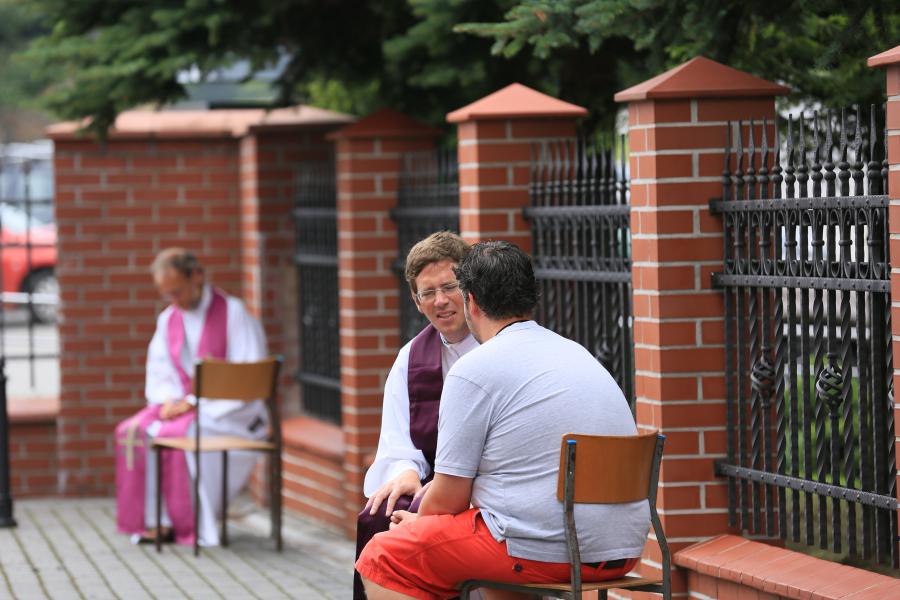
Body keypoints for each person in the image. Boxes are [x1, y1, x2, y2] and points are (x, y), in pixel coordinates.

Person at [357, 241, 650, 600]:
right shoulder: (578, 352)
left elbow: (448, 497)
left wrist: (420, 524)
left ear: (471, 302)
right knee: (489, 555)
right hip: (623, 546)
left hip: (543, 548)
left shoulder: (475, 369)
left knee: (382, 556)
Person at [354, 232, 479, 600]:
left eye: (450, 286)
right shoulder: (411, 359)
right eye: (428, 292)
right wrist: (405, 473)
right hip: (431, 482)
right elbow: (397, 439)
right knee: (381, 513)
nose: (440, 301)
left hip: (481, 489)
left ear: (471, 286)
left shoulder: (497, 346)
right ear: (416, 301)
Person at [115, 248, 268, 546]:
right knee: (133, 431)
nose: (174, 300)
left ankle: (187, 523)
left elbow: (248, 377)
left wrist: (196, 403)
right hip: (188, 408)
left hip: (231, 415)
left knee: (183, 434)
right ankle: (154, 522)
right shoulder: (169, 319)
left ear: (197, 275)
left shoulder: (233, 313)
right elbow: (159, 370)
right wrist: (170, 401)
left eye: (178, 291)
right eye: (166, 294)